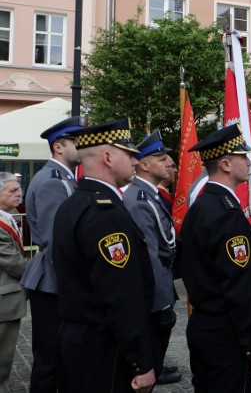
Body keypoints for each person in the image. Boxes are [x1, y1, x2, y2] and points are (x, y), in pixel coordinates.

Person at [52, 119, 156, 393]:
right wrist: (140, 362)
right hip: (104, 348)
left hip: (80, 340)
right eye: (130, 154)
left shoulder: (74, 203)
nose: (136, 161)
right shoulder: (105, 213)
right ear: (108, 157)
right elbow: (121, 294)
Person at [180, 124, 251, 392]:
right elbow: (240, 290)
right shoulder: (227, 215)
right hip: (228, 336)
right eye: (243, 156)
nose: (249, 161)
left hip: (204, 325)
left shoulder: (201, 207)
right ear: (226, 164)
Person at [18, 116, 83, 393]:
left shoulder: (65, 178)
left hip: (57, 281)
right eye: (77, 142)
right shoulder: (52, 181)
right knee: (50, 361)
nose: (83, 147)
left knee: (63, 359)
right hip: (53, 283)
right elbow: (57, 242)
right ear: (59, 146)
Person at [123, 130, 181, 386]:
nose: (170, 162)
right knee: (146, 371)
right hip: (153, 301)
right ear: (144, 165)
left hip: (161, 288)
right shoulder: (139, 200)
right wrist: (163, 303)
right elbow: (150, 258)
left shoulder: (151, 196)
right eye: (161, 158)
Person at [0, 173, 27, 393]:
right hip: (3, 300)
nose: (19, 194)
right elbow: (13, 263)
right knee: (2, 356)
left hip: (7, 298)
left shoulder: (8, 217)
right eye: (12, 191)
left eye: (19, 189)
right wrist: (41, 268)